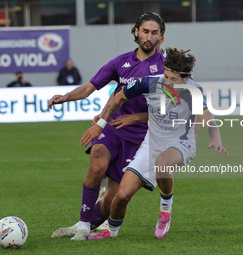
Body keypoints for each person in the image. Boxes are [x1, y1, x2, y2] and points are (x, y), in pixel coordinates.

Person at [80, 47, 228, 240]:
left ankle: (166, 208)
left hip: (181, 144)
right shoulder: (150, 83)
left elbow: (207, 115)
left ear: (187, 77)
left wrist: (216, 138)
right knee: (122, 195)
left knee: (162, 163)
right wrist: (101, 124)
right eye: (166, 76)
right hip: (150, 145)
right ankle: (112, 232)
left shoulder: (194, 91)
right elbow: (120, 96)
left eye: (173, 79)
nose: (167, 83)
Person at [48, 12, 166, 241]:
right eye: (145, 31)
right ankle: (83, 226)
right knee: (97, 159)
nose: (148, 37)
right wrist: (66, 97)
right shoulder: (120, 62)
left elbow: (167, 114)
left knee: (113, 198)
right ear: (136, 31)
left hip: (142, 137)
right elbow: (90, 87)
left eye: (154, 33)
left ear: (161, 37)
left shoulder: (165, 69)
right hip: (113, 128)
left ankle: (82, 225)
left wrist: (134, 118)